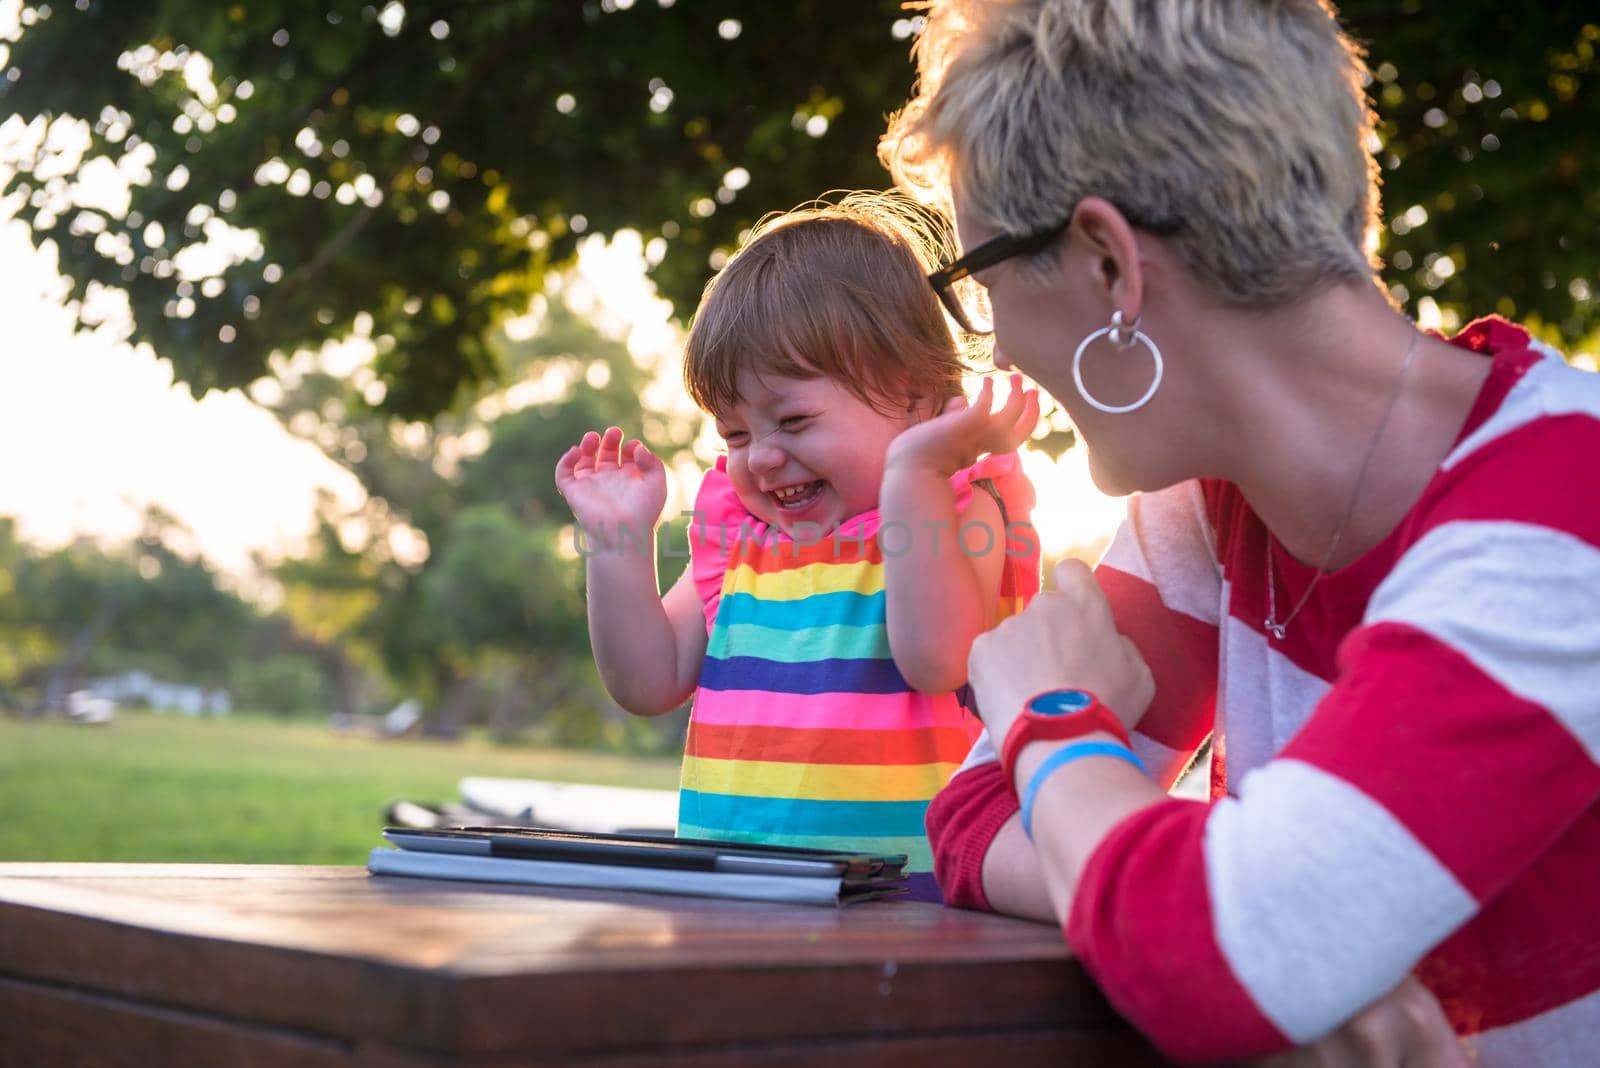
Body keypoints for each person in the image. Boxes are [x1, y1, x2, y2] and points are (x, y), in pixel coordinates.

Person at [878, 0, 1600, 1063]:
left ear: (1109, 268)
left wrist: (1050, 718)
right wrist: (1255, 922)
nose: (996, 352)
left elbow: (1215, 954)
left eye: (980, 290)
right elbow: (975, 816)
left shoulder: (1565, 504)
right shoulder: (1205, 503)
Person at [554, 193, 1042, 901]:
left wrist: (917, 473)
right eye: (736, 434)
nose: (762, 460)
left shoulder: (966, 503)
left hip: (909, 908)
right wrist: (616, 539)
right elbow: (647, 681)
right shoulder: (745, 541)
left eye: (793, 420)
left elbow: (936, 660)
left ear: (914, 398)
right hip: (732, 899)